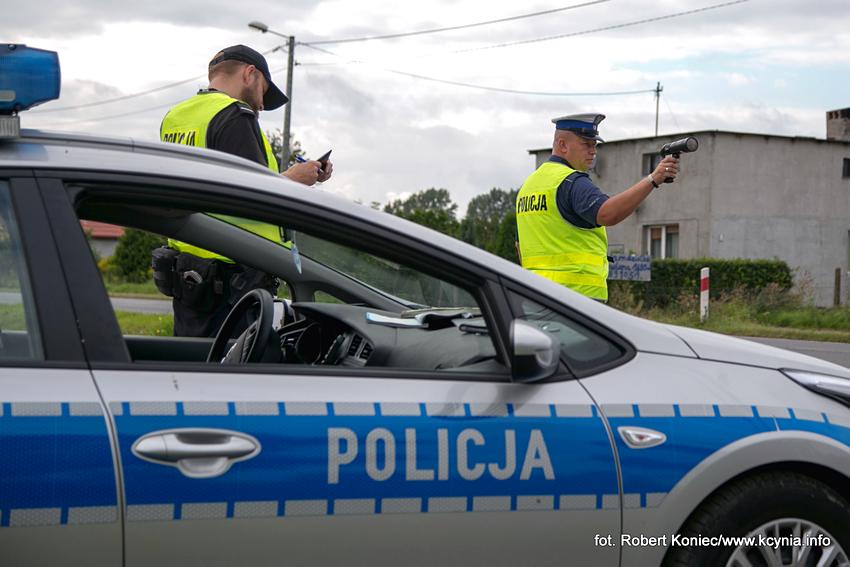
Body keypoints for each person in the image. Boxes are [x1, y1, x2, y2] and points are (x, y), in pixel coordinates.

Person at [157, 44, 333, 337]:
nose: (262, 105)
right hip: (234, 277)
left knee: (195, 359)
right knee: (234, 363)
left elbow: (215, 188)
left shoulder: (175, 117)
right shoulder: (235, 115)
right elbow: (252, 196)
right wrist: (295, 179)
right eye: (264, 92)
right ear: (249, 74)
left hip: (190, 278)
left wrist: (291, 176)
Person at [515, 113, 679, 302]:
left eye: (594, 145)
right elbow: (607, 213)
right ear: (562, 145)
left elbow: (520, 247)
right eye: (586, 144)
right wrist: (653, 179)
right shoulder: (571, 182)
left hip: (534, 297)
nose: (593, 152)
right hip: (575, 299)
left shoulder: (527, 188)